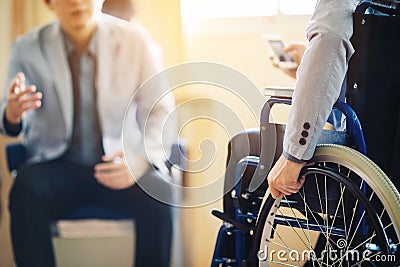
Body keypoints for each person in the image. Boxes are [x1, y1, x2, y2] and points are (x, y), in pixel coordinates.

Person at [0, 0, 176, 266]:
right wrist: (12, 114)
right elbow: (10, 117)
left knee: (159, 190)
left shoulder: (135, 40)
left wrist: (138, 161)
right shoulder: (26, 47)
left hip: (118, 164)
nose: (77, 2)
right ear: (49, 2)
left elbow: (162, 110)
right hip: (56, 166)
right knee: (25, 191)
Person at [267, 0, 360, 199]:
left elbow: (330, 37)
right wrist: (307, 66)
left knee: (241, 143)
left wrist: (293, 155)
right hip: (388, 154)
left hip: (356, 155)